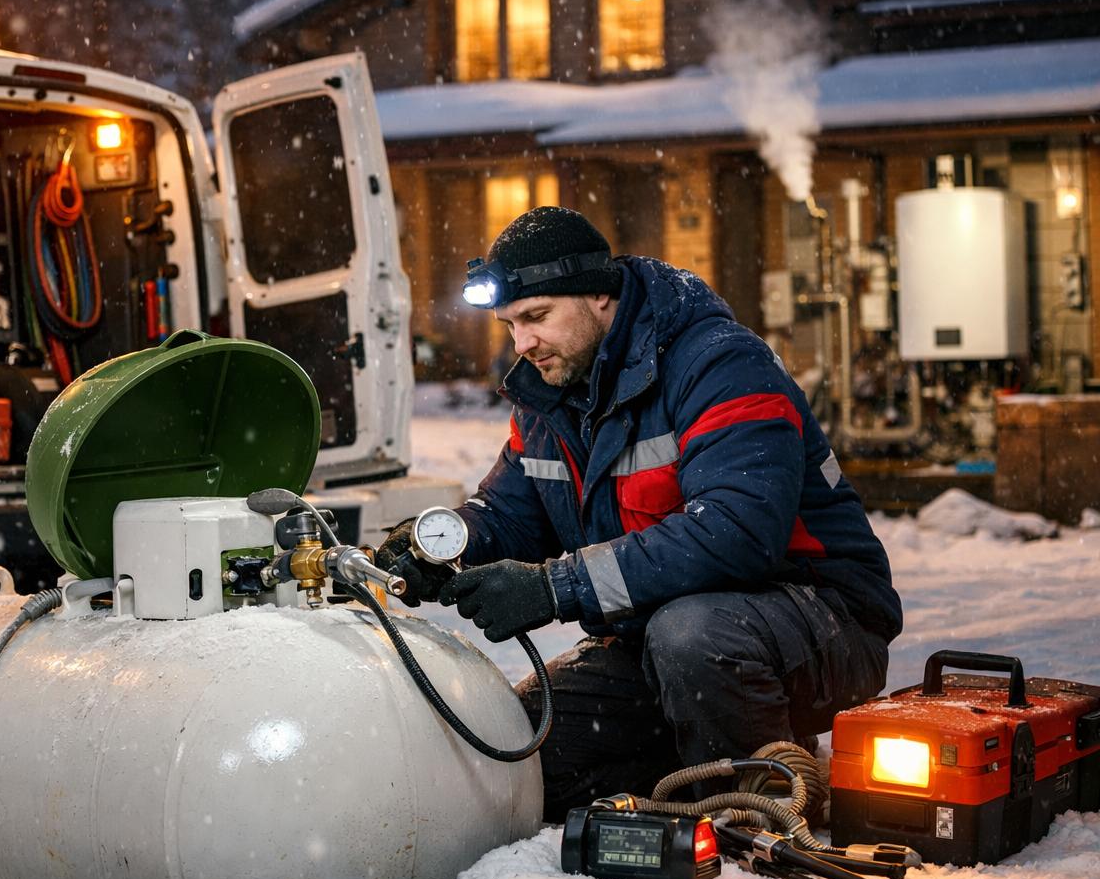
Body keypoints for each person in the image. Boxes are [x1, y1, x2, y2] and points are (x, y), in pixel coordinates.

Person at [377, 206, 901, 822]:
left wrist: (556, 587)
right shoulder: (551, 396)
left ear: (600, 294)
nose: (522, 344)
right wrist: (441, 545)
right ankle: (688, 776)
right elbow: (512, 511)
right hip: (654, 638)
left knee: (695, 635)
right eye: (511, 325)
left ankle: (756, 814)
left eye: (537, 317)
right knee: (527, 758)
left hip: (819, 617)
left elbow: (739, 531)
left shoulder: (719, 365)